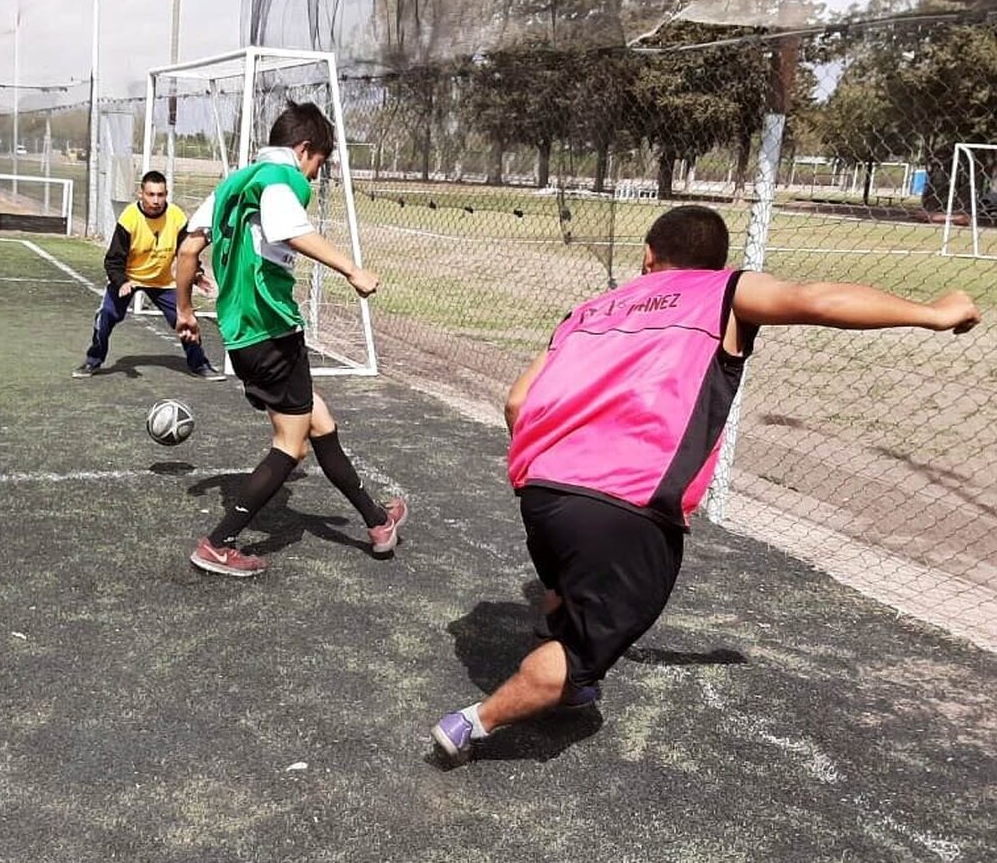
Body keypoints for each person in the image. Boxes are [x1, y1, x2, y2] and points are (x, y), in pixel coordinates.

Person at [430, 204, 981, 760]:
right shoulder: (724, 293)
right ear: (720, 262)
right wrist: (933, 313)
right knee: (587, 641)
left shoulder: (589, 310)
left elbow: (517, 401)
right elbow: (818, 298)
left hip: (543, 491)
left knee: (570, 580)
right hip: (627, 504)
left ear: (648, 256)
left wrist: (544, 467)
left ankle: (562, 648)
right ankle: (474, 722)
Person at [174, 101, 408, 577]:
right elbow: (288, 229)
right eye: (319, 162)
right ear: (303, 150)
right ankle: (219, 542)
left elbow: (188, 247)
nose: (316, 175)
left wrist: (183, 309)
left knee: (320, 422)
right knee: (292, 443)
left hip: (242, 334)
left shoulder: (231, 185)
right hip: (273, 331)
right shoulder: (281, 180)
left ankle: (378, 522)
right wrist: (352, 270)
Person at [72, 171, 224, 380]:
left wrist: (196, 274)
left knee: (186, 319)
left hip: (163, 282)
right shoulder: (129, 218)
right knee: (106, 315)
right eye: (151, 194)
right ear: (140, 194)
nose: (156, 200)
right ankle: (93, 361)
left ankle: (199, 365)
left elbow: (186, 251)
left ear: (166, 194)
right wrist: (122, 281)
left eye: (160, 195)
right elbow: (113, 260)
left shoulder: (177, 217)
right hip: (130, 279)